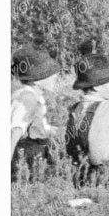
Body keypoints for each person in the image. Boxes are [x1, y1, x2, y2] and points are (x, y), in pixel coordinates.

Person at [11, 47, 75, 178]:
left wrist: (56, 131)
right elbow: (15, 131)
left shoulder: (33, 95)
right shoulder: (28, 99)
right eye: (49, 74)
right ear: (35, 79)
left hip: (34, 152)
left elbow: (36, 125)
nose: (55, 77)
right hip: (28, 155)